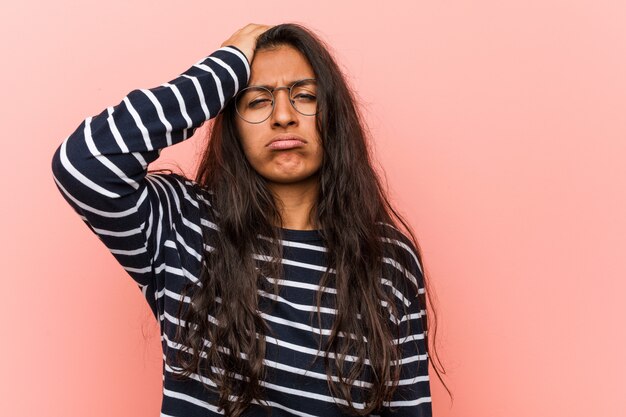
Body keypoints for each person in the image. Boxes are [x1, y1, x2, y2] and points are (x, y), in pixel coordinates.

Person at [51, 23, 442, 417]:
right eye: (257, 101)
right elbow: (83, 163)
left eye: (305, 96)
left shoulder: (389, 260)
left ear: (333, 114)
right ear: (231, 122)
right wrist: (223, 70)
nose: (284, 116)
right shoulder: (183, 226)